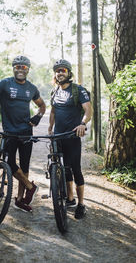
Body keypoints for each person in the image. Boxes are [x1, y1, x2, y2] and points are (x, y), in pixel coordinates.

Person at [0, 55, 46, 213]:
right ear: (13, 68)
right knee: (9, 162)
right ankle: (30, 186)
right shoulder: (5, 84)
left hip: (27, 132)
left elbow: (42, 106)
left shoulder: (32, 88)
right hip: (10, 133)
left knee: (25, 166)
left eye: (24, 67)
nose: (20, 69)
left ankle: (20, 201)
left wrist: (38, 117)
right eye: (17, 66)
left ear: (28, 70)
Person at [48, 59, 92, 219]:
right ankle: (70, 198)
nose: (60, 73)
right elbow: (53, 112)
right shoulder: (55, 92)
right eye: (58, 71)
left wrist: (82, 124)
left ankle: (81, 204)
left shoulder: (78, 90)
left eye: (63, 70)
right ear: (55, 74)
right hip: (58, 137)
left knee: (75, 169)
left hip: (73, 136)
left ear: (68, 73)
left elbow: (88, 110)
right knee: (64, 167)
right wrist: (50, 128)